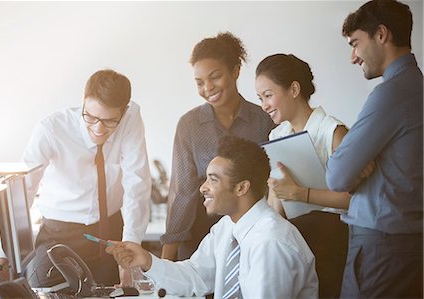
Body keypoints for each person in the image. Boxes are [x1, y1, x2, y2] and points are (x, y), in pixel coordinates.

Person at [107, 136, 318, 298]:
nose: (202, 188)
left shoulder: (271, 242)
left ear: (242, 187)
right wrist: (146, 260)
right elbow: (196, 276)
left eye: (213, 180)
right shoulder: (227, 227)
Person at [326, 0, 423, 298]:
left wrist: (356, 165)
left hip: (381, 247)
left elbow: (337, 176)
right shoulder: (417, 87)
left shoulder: (391, 94)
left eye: (356, 43)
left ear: (381, 34)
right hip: (409, 244)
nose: (353, 57)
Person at [21, 69, 152, 286]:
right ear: (83, 101)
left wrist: (130, 246)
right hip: (59, 233)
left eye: (110, 121)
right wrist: (2, 256)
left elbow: (136, 183)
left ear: (123, 112)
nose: (98, 129)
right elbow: (21, 191)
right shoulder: (51, 129)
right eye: (90, 117)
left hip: (110, 231)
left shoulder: (130, 119)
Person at [160, 32, 274, 261]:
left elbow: (271, 185)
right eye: (200, 82)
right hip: (200, 233)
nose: (208, 88)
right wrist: (166, 260)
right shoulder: (189, 125)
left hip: (252, 231)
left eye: (215, 77)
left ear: (235, 71)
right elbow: (182, 192)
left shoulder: (264, 120)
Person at [255, 53, 353, 298]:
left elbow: (353, 198)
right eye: (260, 98)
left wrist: (300, 194)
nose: (264, 105)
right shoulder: (278, 135)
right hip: (293, 239)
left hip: (331, 238)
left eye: (268, 95)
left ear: (294, 89)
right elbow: (276, 198)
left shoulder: (334, 132)